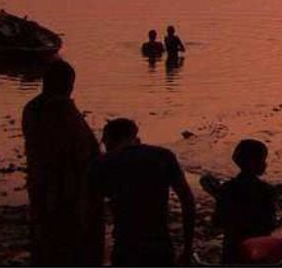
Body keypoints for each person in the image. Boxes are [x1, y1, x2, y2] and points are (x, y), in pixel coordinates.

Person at [22, 59, 103, 266]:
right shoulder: (60, 109)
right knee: (70, 244)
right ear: (68, 84)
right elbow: (77, 154)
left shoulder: (32, 108)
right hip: (66, 192)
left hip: (41, 185)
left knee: (45, 241)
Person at [91, 118, 196, 266]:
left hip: (126, 245)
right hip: (160, 243)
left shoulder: (105, 162)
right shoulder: (163, 156)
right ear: (134, 135)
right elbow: (187, 201)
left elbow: (90, 208)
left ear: (108, 139)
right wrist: (188, 248)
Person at [213, 139, 279, 264]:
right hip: (259, 249)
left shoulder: (227, 189)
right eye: (262, 160)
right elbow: (270, 223)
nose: (265, 164)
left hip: (232, 249)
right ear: (254, 162)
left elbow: (217, 221)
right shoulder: (266, 190)